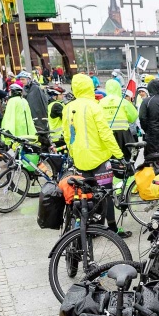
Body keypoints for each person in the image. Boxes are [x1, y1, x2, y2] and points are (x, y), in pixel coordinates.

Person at [63, 73, 128, 237]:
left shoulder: (67, 108)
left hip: (80, 160)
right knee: (106, 194)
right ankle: (112, 229)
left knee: (86, 195)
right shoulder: (94, 106)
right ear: (90, 87)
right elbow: (105, 134)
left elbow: (67, 135)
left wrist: (73, 154)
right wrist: (119, 155)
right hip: (100, 160)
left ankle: (91, 228)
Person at [101, 79, 140, 161]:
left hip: (107, 133)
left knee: (110, 157)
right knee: (127, 156)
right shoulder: (123, 102)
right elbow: (134, 116)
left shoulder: (101, 102)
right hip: (123, 134)